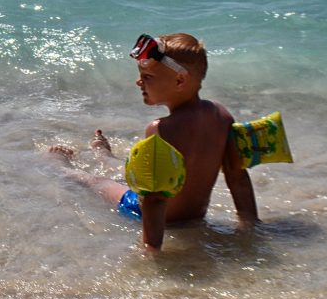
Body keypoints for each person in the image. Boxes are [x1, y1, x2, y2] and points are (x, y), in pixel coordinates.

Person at [49, 33, 258, 252]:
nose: (138, 82)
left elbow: (154, 199)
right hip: (194, 218)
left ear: (179, 80)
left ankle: (60, 166)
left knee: (97, 182)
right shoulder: (222, 116)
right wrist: (250, 226)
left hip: (145, 214)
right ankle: (104, 156)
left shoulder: (160, 129)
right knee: (133, 171)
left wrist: (151, 249)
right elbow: (237, 176)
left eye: (147, 76)